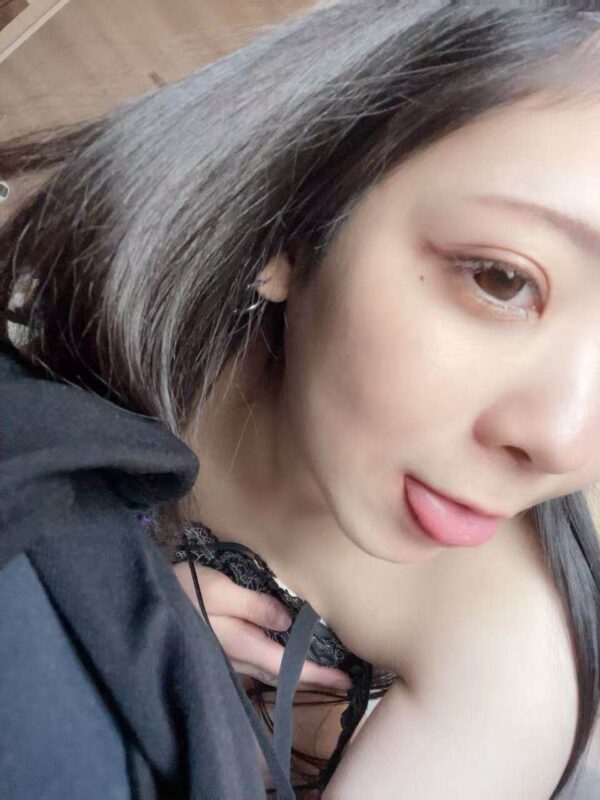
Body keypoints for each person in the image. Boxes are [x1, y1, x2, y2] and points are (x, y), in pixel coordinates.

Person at [1, 1, 600, 797]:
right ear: (295, 220)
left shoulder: (511, 663)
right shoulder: (127, 310)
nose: (566, 441)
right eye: (501, 278)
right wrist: (121, 597)